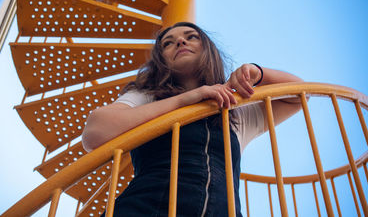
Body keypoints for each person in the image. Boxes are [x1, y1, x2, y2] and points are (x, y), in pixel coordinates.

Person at [82, 22, 303, 217]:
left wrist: (259, 72)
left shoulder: (233, 109)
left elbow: (298, 97)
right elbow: (95, 133)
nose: (180, 41)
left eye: (191, 36)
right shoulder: (147, 96)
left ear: (208, 49)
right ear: (161, 60)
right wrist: (185, 100)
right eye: (168, 43)